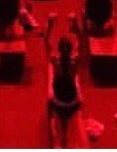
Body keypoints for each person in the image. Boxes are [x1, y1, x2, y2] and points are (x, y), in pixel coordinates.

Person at [42, 17, 84, 148]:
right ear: (71, 49)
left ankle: (56, 126)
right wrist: (76, 26)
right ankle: (65, 133)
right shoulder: (75, 61)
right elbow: (82, 43)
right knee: (77, 86)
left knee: (51, 98)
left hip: (57, 103)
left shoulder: (55, 61)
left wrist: (49, 25)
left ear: (59, 49)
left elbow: (46, 43)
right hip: (73, 104)